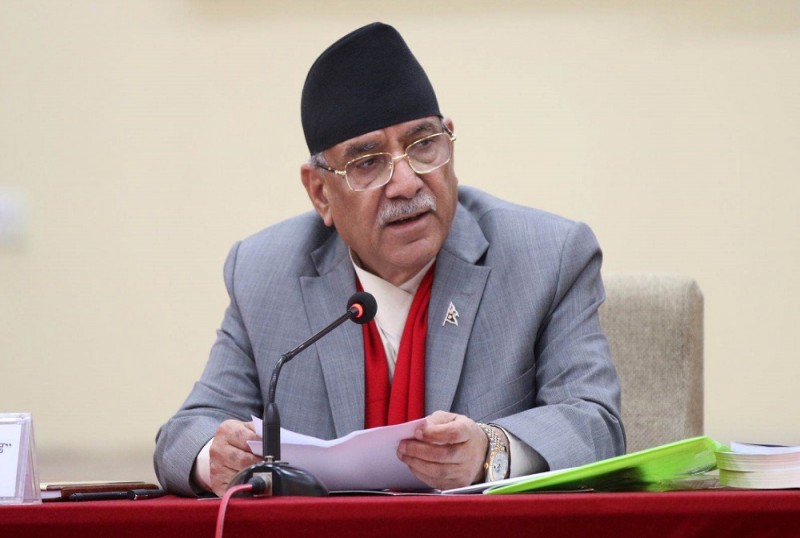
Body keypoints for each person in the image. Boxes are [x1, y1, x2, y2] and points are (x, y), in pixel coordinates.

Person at [154, 22, 625, 497]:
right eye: (367, 163)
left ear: (450, 142)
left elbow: (595, 425)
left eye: (424, 146)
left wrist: (491, 451)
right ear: (320, 193)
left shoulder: (547, 257)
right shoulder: (264, 273)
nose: (406, 183)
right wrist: (217, 458)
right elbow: (185, 433)